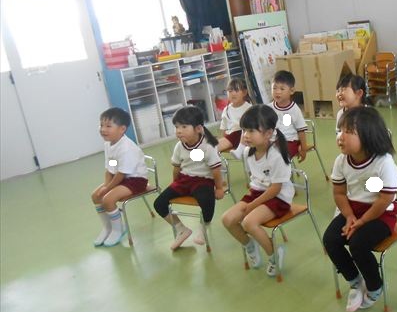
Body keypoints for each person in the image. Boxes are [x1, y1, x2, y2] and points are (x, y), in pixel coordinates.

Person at [323, 106, 397, 312]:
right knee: (330, 240)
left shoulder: (383, 162)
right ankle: (355, 281)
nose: (340, 137)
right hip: (354, 211)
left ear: (368, 136)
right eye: (340, 130)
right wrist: (349, 216)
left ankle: (375, 285)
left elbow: (385, 198)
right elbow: (339, 193)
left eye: (348, 132)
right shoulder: (341, 161)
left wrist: (363, 221)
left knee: (357, 244)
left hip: (381, 215)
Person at [221, 104, 293, 277]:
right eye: (244, 130)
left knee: (249, 222)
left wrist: (252, 205)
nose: (246, 135)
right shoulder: (248, 152)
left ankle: (274, 254)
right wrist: (251, 202)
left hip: (279, 198)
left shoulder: (276, 155)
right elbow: (254, 180)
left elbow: (275, 189)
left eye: (251, 131)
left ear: (268, 133)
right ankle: (250, 245)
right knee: (227, 219)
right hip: (257, 193)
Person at [153, 106, 225, 251]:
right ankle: (181, 229)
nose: (178, 131)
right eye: (176, 127)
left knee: (206, 200)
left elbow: (216, 170)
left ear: (198, 129)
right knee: (159, 203)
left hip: (203, 180)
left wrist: (219, 188)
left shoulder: (207, 146)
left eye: (184, 127)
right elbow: (176, 168)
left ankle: (203, 228)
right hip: (184, 180)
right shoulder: (179, 146)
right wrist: (174, 185)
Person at [92, 107, 148, 247]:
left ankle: (118, 229)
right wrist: (106, 186)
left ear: (122, 129)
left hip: (135, 180)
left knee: (108, 199)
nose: (103, 129)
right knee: (96, 196)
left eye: (108, 126)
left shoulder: (126, 148)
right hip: (121, 178)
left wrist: (107, 189)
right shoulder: (108, 144)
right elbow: (110, 168)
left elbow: (122, 173)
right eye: (101, 125)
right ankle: (108, 228)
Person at [268, 70, 308, 160]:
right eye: (274, 88)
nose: (277, 92)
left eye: (282, 89)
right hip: (272, 141)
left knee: (279, 157)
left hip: (290, 141)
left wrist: (303, 149)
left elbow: (301, 131)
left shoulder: (294, 110)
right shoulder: (268, 108)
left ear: (292, 91)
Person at [217, 78, 252, 159]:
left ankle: (239, 150)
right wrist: (224, 139)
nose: (233, 93)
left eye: (236, 90)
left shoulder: (249, 108)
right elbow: (224, 127)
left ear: (244, 92)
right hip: (231, 137)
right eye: (230, 91)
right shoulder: (227, 109)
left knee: (242, 129)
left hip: (244, 136)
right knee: (213, 145)